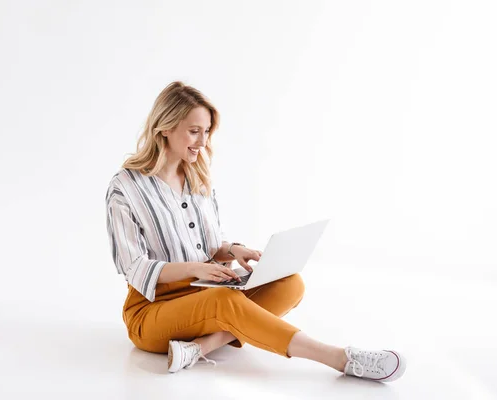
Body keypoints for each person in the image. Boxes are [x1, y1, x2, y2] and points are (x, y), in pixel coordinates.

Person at [105, 81, 406, 382]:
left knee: (291, 284)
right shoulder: (126, 187)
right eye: (194, 130)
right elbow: (135, 268)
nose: (202, 140)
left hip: (208, 292)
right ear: (165, 128)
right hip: (152, 310)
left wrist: (234, 251)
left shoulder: (197, 178)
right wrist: (198, 269)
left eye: (207, 131)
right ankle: (341, 358)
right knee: (224, 302)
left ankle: (201, 347)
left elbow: (208, 248)